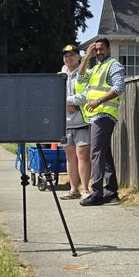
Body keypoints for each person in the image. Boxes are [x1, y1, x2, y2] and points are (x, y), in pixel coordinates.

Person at [77, 37, 125, 206]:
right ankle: (111, 192)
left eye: (101, 49)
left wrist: (98, 101)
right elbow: (80, 78)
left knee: (96, 153)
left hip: (104, 115)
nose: (98, 52)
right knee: (104, 153)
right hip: (94, 116)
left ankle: (97, 194)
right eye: (96, 50)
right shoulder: (96, 67)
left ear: (109, 48)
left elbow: (119, 88)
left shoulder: (114, 65)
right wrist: (87, 56)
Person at [60, 43, 91, 200]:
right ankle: (73, 189)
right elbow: (53, 96)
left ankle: (85, 189)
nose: (68, 58)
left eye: (71, 55)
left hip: (82, 122)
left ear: (79, 57)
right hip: (65, 123)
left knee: (83, 155)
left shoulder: (84, 73)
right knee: (70, 157)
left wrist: (68, 101)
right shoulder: (59, 75)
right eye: (66, 56)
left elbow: (87, 95)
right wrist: (68, 102)